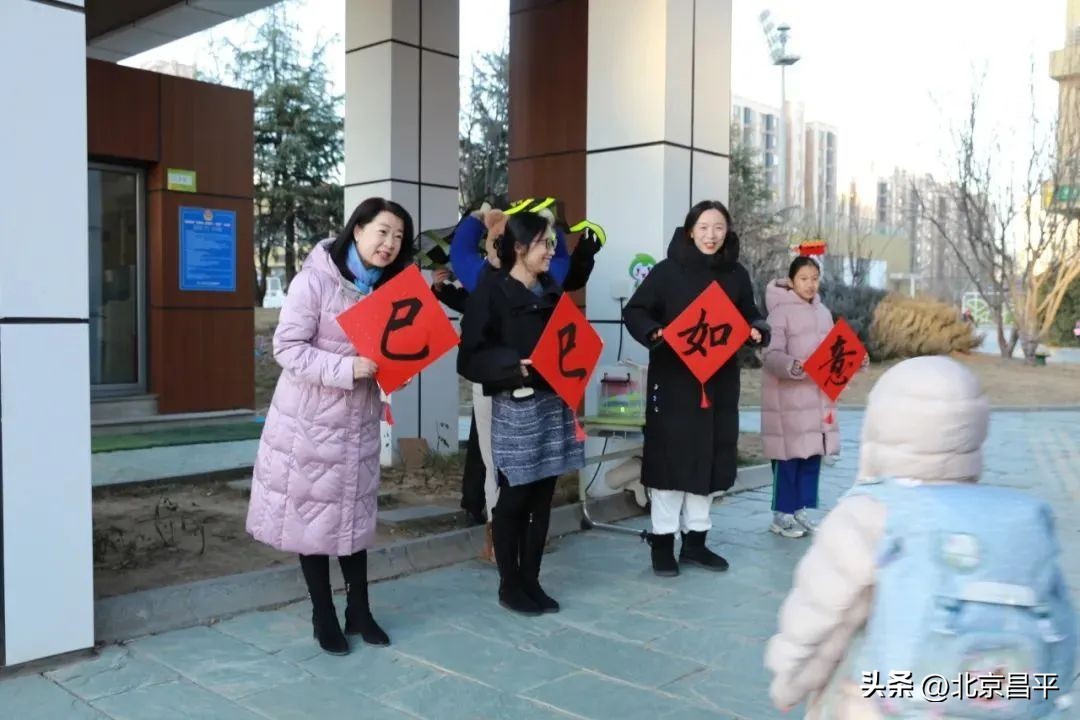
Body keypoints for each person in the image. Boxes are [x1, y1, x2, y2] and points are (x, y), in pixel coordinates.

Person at [765, 356, 1076, 718]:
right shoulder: (1022, 519)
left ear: (880, 425)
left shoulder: (868, 513)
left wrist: (790, 682)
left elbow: (821, 618)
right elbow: (1061, 630)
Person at [246, 197, 415, 656]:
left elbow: (387, 352)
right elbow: (287, 348)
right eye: (382, 232)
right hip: (310, 425)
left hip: (358, 424)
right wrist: (347, 369)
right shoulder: (314, 281)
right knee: (314, 521)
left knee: (353, 520)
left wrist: (397, 368)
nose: (389, 243)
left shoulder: (388, 290)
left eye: (398, 237)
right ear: (357, 230)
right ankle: (324, 615)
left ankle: (359, 611)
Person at [623, 200, 770, 577]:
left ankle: (696, 543)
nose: (711, 235)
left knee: (709, 459)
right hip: (674, 381)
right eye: (703, 227)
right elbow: (636, 311)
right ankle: (662, 543)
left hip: (719, 383)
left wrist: (756, 330)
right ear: (690, 231)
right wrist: (654, 332)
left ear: (727, 231)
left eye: (718, 227)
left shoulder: (736, 274)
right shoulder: (667, 271)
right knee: (671, 461)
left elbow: (750, 313)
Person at [457, 211, 586, 616]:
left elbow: (569, 340)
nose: (551, 251)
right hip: (517, 407)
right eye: (545, 244)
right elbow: (469, 358)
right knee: (514, 498)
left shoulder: (551, 291)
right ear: (518, 247)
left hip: (553, 404)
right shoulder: (490, 292)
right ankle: (509, 584)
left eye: (551, 244)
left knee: (543, 499)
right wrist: (514, 366)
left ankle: (532, 580)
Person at [760, 256, 839, 538]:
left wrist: (854, 361)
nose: (810, 284)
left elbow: (834, 352)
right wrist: (791, 365)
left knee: (811, 456)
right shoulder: (779, 313)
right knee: (788, 459)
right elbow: (770, 355)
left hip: (816, 399)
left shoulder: (824, 313)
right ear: (791, 281)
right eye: (804, 279)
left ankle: (800, 510)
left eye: (814, 279)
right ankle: (782, 515)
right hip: (788, 401)